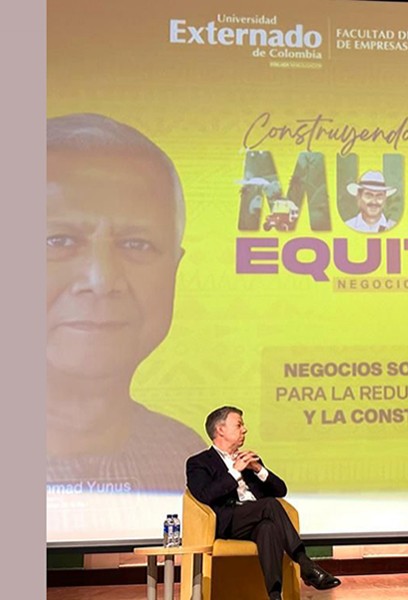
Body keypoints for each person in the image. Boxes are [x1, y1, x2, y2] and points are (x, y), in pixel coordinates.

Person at [47, 113, 205, 492]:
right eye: (59, 241)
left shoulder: (187, 460)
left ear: (174, 270)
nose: (102, 281)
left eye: (137, 245)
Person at [186, 407, 341, 599]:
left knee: (269, 528)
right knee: (269, 505)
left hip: (257, 519)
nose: (245, 429)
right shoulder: (199, 462)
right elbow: (205, 495)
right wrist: (234, 472)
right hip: (227, 521)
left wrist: (258, 469)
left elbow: (280, 490)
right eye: (239, 425)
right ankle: (306, 564)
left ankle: (274, 595)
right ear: (221, 430)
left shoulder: (250, 460)